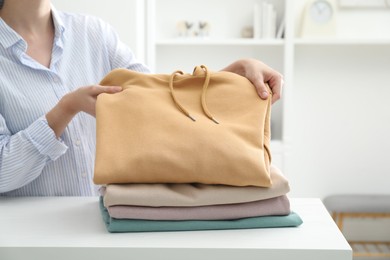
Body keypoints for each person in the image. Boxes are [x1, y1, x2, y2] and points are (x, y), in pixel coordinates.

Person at [0, 0, 284, 196]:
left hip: (102, 224)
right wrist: (65, 110)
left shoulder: (93, 33)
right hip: (30, 237)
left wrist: (231, 75)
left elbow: (159, 100)